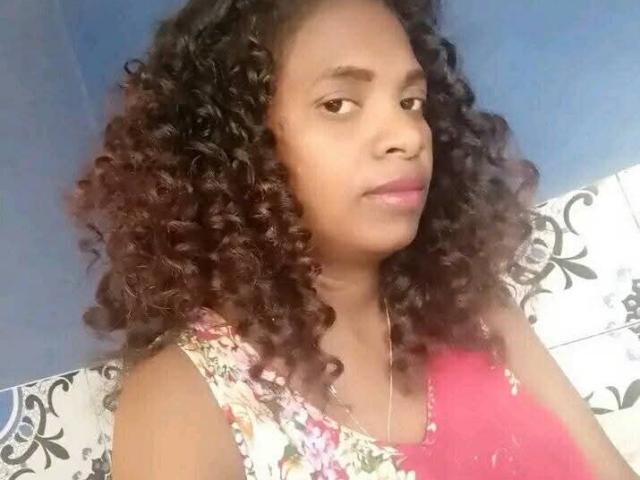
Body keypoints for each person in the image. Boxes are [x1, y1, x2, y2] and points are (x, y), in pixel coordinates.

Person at [64, 0, 638, 478]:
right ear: (235, 146)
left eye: (411, 102)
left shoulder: (477, 312)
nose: (407, 134)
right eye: (338, 104)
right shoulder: (184, 402)